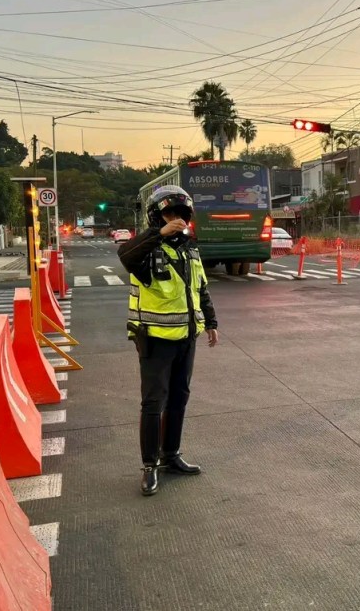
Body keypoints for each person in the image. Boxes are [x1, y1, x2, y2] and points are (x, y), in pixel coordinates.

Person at [117, 186, 219, 496]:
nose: (176, 220)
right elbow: (125, 254)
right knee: (153, 403)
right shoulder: (146, 251)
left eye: (181, 215)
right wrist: (159, 233)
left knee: (179, 399)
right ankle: (149, 465)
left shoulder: (190, 248)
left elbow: (200, 288)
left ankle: (171, 454)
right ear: (156, 217)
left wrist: (211, 322)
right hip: (155, 340)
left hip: (186, 338)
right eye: (168, 214)